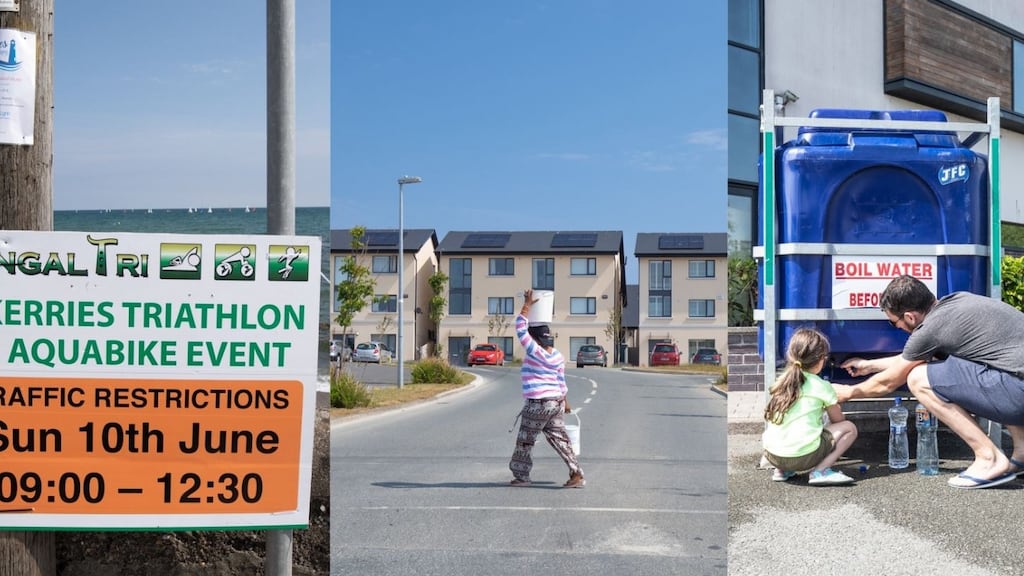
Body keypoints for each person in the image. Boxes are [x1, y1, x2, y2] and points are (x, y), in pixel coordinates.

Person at [838, 274, 1024, 489]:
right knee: (995, 364)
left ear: (909, 317)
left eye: (893, 322)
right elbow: (912, 357)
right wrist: (868, 365)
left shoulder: (931, 328)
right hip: (1016, 380)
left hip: (1018, 391)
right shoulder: (957, 302)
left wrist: (847, 392)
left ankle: (989, 459)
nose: (896, 327)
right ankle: (1022, 455)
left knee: (918, 379)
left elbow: (887, 383)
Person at [509, 289, 585, 488]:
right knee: (560, 439)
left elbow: (520, 329)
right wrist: (566, 402)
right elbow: (561, 381)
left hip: (538, 404)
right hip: (556, 403)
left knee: (525, 440)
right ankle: (577, 473)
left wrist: (527, 305)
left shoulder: (535, 351)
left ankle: (522, 476)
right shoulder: (558, 356)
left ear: (534, 339)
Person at [763, 327, 858, 485]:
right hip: (802, 458)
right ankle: (820, 471)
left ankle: (782, 470)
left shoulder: (781, 382)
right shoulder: (822, 386)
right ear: (821, 359)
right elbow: (838, 420)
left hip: (772, 456)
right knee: (849, 428)